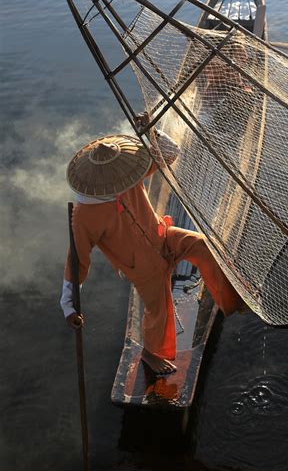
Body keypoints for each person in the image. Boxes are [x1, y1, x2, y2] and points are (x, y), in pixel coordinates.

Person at [60, 117, 246, 376]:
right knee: (159, 310)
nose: (124, 183)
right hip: (141, 266)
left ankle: (232, 297)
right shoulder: (84, 215)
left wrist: (151, 131)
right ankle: (151, 353)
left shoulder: (126, 175)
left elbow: (170, 154)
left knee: (203, 245)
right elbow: (77, 261)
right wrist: (69, 306)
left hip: (163, 237)